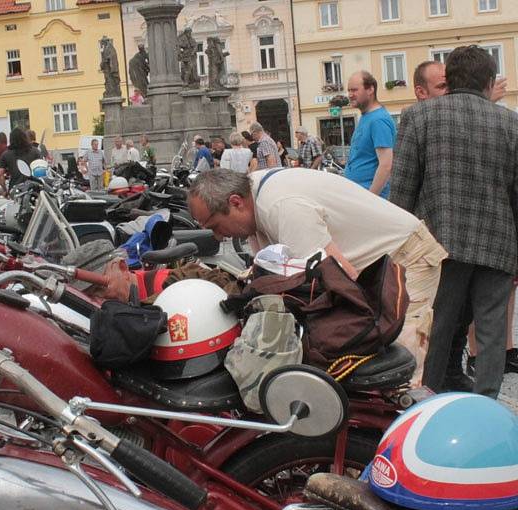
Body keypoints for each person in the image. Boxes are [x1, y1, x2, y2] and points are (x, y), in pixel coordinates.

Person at [188, 168, 446, 385]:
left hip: (405, 254)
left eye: (215, 226)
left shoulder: (283, 207)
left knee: (398, 358)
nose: (219, 237)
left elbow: (339, 277)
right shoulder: (252, 193)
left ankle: (404, 433)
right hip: (372, 262)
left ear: (235, 202)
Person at [391, 45, 518, 398]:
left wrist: (397, 251)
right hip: (498, 244)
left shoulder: (419, 117)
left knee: (436, 327)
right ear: (488, 81)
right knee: (492, 331)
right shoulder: (510, 122)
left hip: (437, 246)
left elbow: (402, 192)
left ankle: (426, 403)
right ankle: (487, 404)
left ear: (450, 77)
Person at [344, 71, 396, 198]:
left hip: (369, 199)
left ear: (370, 89)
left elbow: (386, 165)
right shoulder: (367, 117)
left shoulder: (378, 120)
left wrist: (370, 200)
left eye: (354, 90)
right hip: (359, 195)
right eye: (349, 90)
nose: (350, 95)